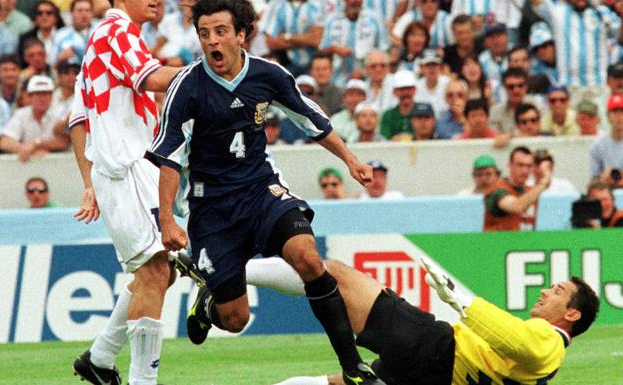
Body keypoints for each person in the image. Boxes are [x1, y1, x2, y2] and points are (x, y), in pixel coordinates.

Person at [145, 1, 383, 384]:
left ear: (241, 34)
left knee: (308, 258)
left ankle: (353, 366)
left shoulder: (268, 75)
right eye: (204, 33)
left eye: (220, 31)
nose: (212, 42)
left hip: (260, 189)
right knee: (236, 319)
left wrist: (351, 160)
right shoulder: (186, 87)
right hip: (212, 208)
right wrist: (168, 220)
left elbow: (310, 118)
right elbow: (169, 157)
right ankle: (209, 305)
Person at [242, 255, 600, 385]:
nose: (545, 292)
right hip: (435, 375)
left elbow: (527, 345)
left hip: (436, 350)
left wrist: (464, 303)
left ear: (572, 314)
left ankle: (228, 272)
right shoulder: (545, 366)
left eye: (557, 291)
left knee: (336, 276)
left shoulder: (550, 344)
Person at [67, 0, 184, 382]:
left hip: (129, 169)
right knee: (155, 270)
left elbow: (79, 119)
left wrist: (89, 183)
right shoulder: (117, 33)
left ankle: (99, 359)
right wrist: (210, 72)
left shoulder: (105, 41)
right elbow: (150, 77)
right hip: (126, 167)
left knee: (161, 271)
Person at [0, 75, 68, 161]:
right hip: (29, 166)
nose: (42, 99)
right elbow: (4, 141)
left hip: (60, 165)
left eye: (45, 94)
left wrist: (36, 144)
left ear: (51, 96)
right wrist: (26, 149)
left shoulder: (61, 112)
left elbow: (63, 142)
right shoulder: (21, 114)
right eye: (38, 94)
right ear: (30, 97)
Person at [484, 146, 551, 231]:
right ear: (510, 165)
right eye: (520, 165)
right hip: (499, 242)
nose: (525, 171)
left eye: (529, 166)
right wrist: (543, 182)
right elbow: (517, 207)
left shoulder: (530, 191)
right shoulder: (496, 189)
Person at [590, 94, 623, 189]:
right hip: (607, 191)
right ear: (608, 116)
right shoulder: (598, 145)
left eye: (622, 112)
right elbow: (593, 180)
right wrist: (602, 179)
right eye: (615, 112)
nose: (619, 116)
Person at [380, 69, 417, 140]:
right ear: (394, 92)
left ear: (414, 90)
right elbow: (384, 139)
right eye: (402, 89)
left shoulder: (423, 112)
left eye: (408, 88)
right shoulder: (388, 115)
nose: (406, 92)